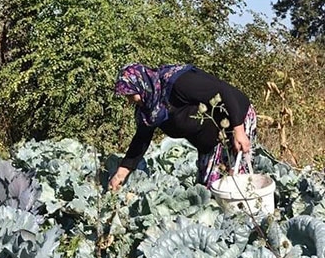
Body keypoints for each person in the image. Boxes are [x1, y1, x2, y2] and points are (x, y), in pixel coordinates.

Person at [109, 63, 257, 190]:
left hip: (233, 119)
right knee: (210, 189)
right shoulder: (148, 109)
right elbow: (141, 139)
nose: (129, 101)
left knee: (235, 184)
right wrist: (120, 174)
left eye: (130, 95)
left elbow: (222, 90)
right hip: (210, 141)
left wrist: (239, 130)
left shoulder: (178, 83)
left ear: (141, 84)